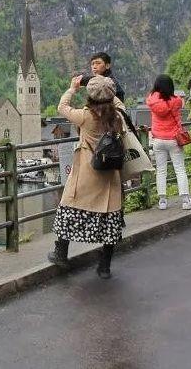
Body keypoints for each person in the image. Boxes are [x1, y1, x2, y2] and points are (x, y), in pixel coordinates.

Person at [47, 75, 126, 279]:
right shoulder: (118, 117)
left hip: (86, 173)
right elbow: (118, 105)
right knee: (110, 219)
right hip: (110, 175)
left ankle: (61, 254)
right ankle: (105, 266)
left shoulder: (85, 116)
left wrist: (73, 88)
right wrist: (108, 91)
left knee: (69, 209)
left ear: (90, 96)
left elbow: (62, 107)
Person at [147, 74, 191, 210]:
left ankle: (162, 201)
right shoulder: (176, 101)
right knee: (180, 169)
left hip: (157, 139)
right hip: (174, 139)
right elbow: (179, 103)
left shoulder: (151, 100)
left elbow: (152, 97)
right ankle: (186, 200)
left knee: (161, 171)